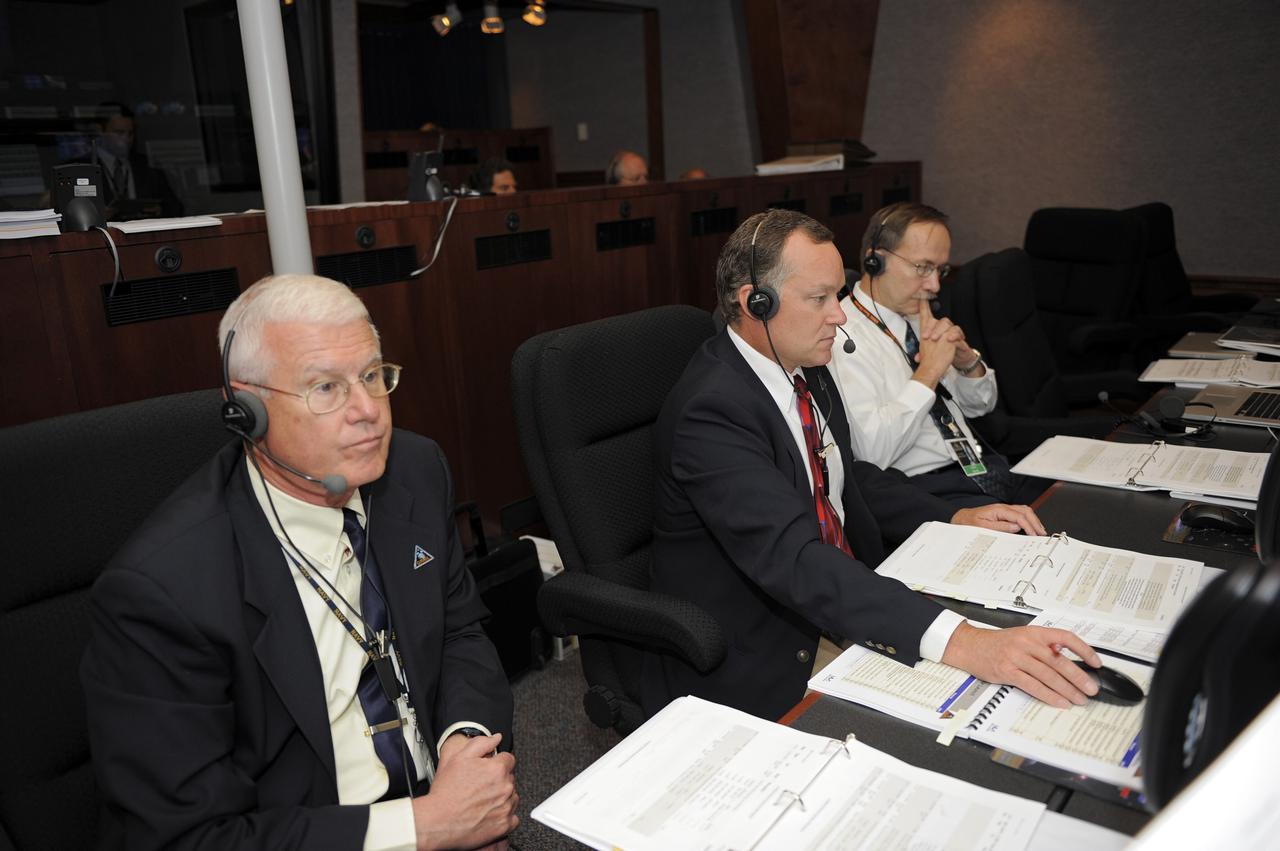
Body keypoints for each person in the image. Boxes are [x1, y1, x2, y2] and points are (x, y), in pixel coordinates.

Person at [81, 274, 518, 850]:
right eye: (326, 388)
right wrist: (425, 828)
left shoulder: (413, 470)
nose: (368, 411)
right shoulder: (161, 592)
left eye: (371, 376)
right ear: (245, 410)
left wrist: (465, 748)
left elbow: (458, 630)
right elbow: (190, 840)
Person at [642, 210, 1101, 722]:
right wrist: (967, 643)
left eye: (838, 295)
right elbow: (794, 559)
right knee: (977, 710)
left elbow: (848, 475)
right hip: (770, 641)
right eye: (819, 299)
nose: (839, 316)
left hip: (841, 591)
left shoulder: (801, 366)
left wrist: (951, 516)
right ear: (757, 303)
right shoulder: (711, 412)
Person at [832, 202, 1042, 507]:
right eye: (923, 267)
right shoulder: (841, 337)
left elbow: (980, 406)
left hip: (980, 469)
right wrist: (927, 374)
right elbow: (873, 454)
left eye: (940, 270)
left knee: (1077, 506)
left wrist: (966, 362)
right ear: (875, 260)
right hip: (924, 492)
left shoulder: (921, 317)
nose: (934, 285)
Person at [87, 105, 184, 218]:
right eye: (119, 132)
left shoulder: (146, 164)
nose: (126, 139)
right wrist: (96, 215)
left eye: (130, 133)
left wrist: (159, 210)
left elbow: (175, 207)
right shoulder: (83, 167)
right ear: (100, 131)